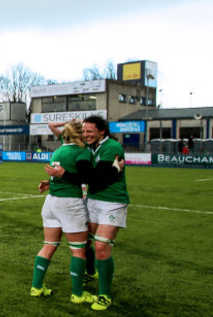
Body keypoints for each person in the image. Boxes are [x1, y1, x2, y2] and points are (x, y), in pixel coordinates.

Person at [29, 119, 96, 306]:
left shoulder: (58, 151)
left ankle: (37, 287)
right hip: (70, 204)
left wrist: (52, 181)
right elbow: (85, 178)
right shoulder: (81, 152)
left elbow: (61, 175)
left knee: (48, 245)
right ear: (80, 134)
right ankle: (78, 294)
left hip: (51, 203)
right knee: (78, 250)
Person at [82, 115, 129, 311]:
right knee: (84, 240)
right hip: (92, 201)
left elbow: (97, 180)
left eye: (90, 131)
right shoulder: (90, 148)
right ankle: (91, 272)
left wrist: (90, 176)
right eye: (84, 132)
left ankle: (104, 295)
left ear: (102, 131)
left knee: (101, 247)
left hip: (112, 202)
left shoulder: (112, 148)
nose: (86, 135)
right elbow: (88, 177)